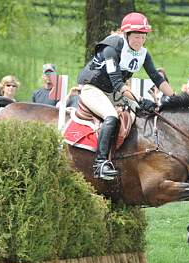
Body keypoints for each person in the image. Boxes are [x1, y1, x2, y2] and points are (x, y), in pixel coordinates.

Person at [77, 12, 174, 180]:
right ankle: (100, 164)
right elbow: (118, 84)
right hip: (92, 89)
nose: (140, 41)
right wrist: (141, 100)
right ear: (126, 34)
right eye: (136, 37)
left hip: (114, 92)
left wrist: (177, 98)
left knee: (146, 114)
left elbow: (157, 78)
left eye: (143, 37)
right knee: (111, 116)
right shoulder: (111, 48)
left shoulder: (143, 53)